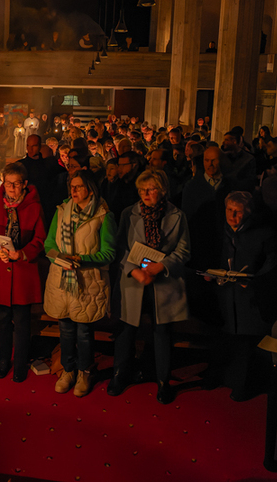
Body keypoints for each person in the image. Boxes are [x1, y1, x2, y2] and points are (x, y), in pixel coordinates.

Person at [107, 169, 190, 405]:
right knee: (126, 330)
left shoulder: (177, 215)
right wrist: (133, 269)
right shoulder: (128, 213)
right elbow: (120, 247)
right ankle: (119, 374)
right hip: (134, 280)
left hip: (163, 282)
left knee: (162, 331)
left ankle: (163, 381)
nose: (145, 193)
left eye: (151, 188)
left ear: (162, 190)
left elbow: (184, 250)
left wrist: (161, 266)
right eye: (142, 189)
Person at [44, 170, 117, 396]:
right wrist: (57, 257)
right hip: (61, 279)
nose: (73, 191)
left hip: (88, 282)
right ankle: (68, 369)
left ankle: (84, 371)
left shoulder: (103, 216)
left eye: (78, 187)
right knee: (65, 329)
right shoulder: (61, 211)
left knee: (84, 331)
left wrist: (82, 259)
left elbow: (109, 253)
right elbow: (48, 245)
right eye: (71, 186)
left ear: (90, 189)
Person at [205, 192, 277, 401]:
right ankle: (220, 376)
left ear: (249, 212)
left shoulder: (264, 234)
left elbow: (271, 263)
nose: (232, 215)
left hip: (250, 300)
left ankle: (243, 385)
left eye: (238, 211)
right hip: (226, 296)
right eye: (229, 210)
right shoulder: (222, 231)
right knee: (225, 339)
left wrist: (254, 280)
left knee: (246, 345)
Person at [0, 162, 46, 382]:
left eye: (16, 184)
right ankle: (3, 360)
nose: (11, 188)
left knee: (22, 321)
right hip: (1, 271)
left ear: (24, 184)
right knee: (2, 320)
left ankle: (19, 363)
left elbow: (40, 239)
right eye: (8, 183)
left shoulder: (34, 207)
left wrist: (24, 253)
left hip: (22, 273)